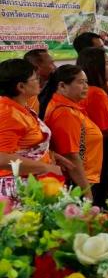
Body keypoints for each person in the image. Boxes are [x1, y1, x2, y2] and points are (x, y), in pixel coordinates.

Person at [0, 59, 66, 197]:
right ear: (21, 86)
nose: (39, 81)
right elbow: (2, 158)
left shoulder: (20, 107)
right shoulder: (7, 113)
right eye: (36, 78)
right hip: (16, 188)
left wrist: (50, 155)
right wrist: (45, 167)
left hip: (31, 182)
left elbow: (24, 144)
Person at [44, 65, 103, 199]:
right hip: (78, 184)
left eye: (86, 82)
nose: (86, 86)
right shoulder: (64, 112)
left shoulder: (71, 109)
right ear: (62, 86)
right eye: (81, 82)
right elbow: (70, 155)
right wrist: (86, 191)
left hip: (86, 179)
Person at [77, 48, 108, 206]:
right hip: (107, 152)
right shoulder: (96, 93)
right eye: (107, 63)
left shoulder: (101, 89)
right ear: (95, 67)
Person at [23, 49, 55, 115]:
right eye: (51, 63)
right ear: (38, 67)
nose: (54, 67)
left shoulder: (58, 83)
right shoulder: (22, 91)